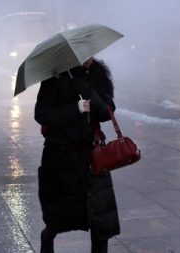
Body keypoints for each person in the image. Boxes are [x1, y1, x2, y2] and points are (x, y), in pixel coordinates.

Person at [34, 57, 120, 253]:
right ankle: (47, 241)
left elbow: (108, 111)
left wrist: (87, 90)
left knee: (99, 220)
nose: (87, 58)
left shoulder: (98, 74)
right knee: (56, 219)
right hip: (60, 157)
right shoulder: (54, 76)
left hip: (92, 155)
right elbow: (41, 114)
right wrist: (75, 108)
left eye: (90, 53)